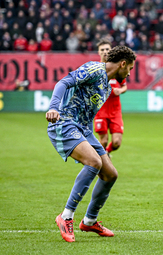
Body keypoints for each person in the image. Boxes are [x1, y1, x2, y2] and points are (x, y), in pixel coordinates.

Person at [46, 45, 136, 242]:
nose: (129, 73)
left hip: (84, 129)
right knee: (94, 163)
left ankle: (89, 221)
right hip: (65, 123)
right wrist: (53, 107)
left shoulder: (106, 84)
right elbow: (63, 82)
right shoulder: (95, 69)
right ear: (122, 63)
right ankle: (65, 216)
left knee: (110, 174)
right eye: (129, 68)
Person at [94, 39, 127, 156]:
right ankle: (100, 168)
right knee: (103, 141)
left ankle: (106, 153)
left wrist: (120, 90)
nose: (105, 52)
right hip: (100, 110)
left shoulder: (118, 68)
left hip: (115, 111)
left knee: (117, 142)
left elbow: (124, 86)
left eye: (107, 49)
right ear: (98, 52)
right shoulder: (96, 69)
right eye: (102, 50)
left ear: (111, 50)